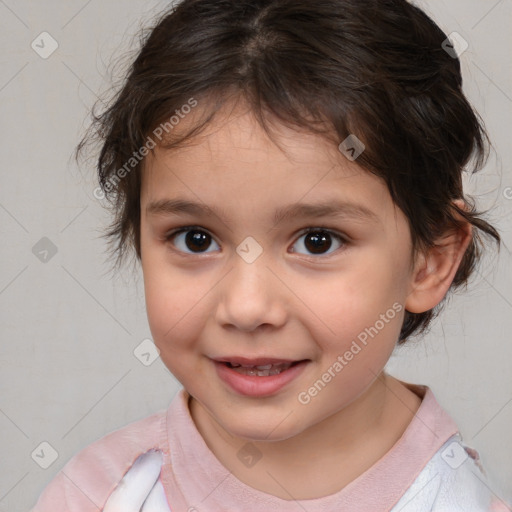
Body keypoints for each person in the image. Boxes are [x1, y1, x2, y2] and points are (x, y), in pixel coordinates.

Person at [31, 0, 511, 510]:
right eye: (196, 238)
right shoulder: (97, 495)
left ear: (430, 261)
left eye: (317, 241)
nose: (246, 307)